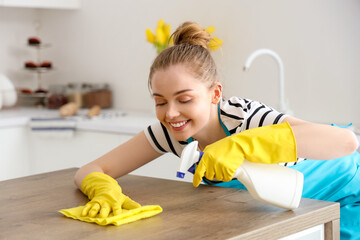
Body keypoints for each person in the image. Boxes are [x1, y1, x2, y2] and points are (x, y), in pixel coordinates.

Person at [74, 22, 359, 238]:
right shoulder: (172, 132)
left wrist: (241, 145)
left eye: (184, 99)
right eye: (160, 102)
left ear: (214, 94)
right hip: (289, 209)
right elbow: (91, 169)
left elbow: (346, 141)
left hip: (348, 195)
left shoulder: (244, 117)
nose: (171, 113)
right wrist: (103, 190)